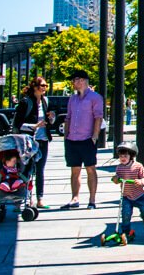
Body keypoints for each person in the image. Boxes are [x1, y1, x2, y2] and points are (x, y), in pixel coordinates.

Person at [61, 69, 103, 210]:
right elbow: (68, 117)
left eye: (74, 80)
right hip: (72, 138)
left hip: (87, 138)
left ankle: (92, 200)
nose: (73, 83)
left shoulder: (95, 97)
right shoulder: (72, 99)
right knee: (75, 170)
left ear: (82, 80)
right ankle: (75, 198)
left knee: (90, 168)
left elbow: (98, 117)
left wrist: (95, 136)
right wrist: (66, 136)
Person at [13, 76, 55, 208]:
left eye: (45, 86)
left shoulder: (45, 101)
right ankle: (24, 198)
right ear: (35, 87)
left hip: (42, 140)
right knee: (26, 170)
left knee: (40, 170)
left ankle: (40, 199)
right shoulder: (26, 102)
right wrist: (34, 126)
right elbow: (18, 124)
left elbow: (49, 122)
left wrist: (51, 119)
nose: (44, 88)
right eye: (42, 86)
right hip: (28, 141)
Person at [112, 141, 144, 241]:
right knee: (125, 215)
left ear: (131, 156)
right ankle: (126, 232)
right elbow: (117, 178)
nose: (123, 158)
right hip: (126, 196)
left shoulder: (138, 166)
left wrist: (140, 181)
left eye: (125, 156)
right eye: (121, 156)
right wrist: (115, 179)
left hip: (139, 195)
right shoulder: (119, 167)